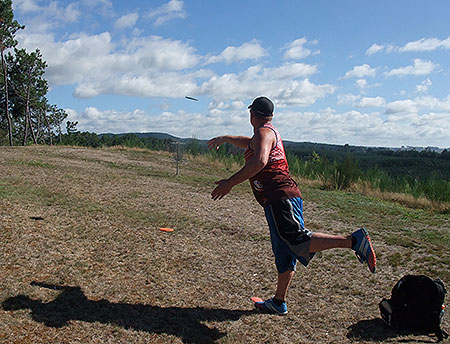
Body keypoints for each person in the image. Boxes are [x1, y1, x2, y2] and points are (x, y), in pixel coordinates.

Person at [208, 96, 376, 315]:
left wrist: (230, 183)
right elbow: (247, 143)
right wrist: (225, 138)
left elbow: (259, 161)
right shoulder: (264, 133)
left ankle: (353, 241)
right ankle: (279, 302)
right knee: (284, 250)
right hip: (277, 198)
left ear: (252, 114)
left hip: (280, 196)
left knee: (296, 239)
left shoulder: (263, 133)